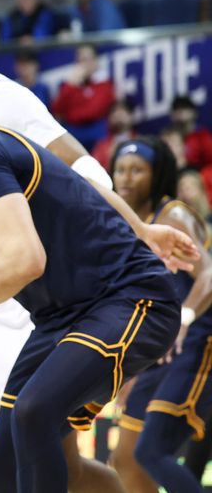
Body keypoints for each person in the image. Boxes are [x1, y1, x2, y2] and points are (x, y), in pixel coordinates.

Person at [0, 48, 191, 493]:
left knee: (35, 413)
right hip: (60, 319)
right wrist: (140, 227)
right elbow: (70, 180)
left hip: (128, 298)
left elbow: (25, 260)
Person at [108, 137, 212, 493]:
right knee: (125, 458)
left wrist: (183, 320)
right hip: (161, 352)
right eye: (120, 169)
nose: (126, 178)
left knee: (152, 452)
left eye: (138, 170)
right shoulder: (132, 226)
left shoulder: (173, 215)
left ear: (159, 175)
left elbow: (210, 274)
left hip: (198, 338)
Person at [51, 43, 116, 151]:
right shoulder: (69, 84)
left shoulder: (105, 83)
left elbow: (93, 111)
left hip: (96, 135)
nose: (85, 64)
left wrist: (73, 113)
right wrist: (71, 86)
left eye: (88, 59)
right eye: (81, 60)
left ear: (96, 61)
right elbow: (57, 110)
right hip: (73, 133)